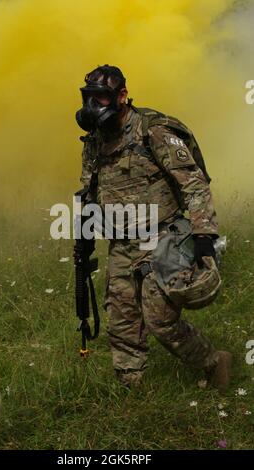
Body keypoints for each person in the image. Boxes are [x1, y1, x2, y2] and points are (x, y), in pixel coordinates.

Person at [75, 64, 232, 392]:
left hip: (164, 238)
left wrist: (204, 237)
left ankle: (213, 362)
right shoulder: (94, 142)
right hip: (121, 242)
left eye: (101, 98)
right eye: (89, 98)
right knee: (121, 322)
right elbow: (89, 191)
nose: (94, 106)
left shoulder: (153, 130)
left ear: (122, 96)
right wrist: (85, 237)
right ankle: (129, 392)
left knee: (161, 320)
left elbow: (194, 184)